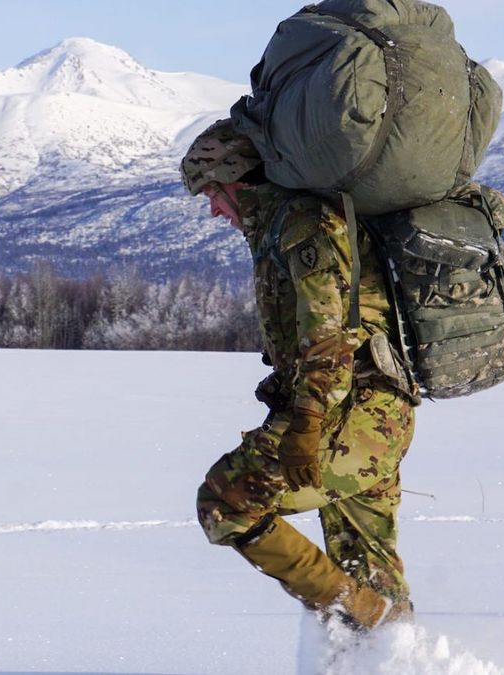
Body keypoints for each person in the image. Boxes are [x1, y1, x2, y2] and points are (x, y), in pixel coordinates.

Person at [184, 119, 420, 630]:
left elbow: (328, 335)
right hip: (374, 415)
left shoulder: (301, 223)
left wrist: (307, 424)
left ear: (236, 176)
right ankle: (394, 651)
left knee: (226, 502)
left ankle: (366, 615)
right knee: (366, 566)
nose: (214, 209)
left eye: (213, 193)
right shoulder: (281, 224)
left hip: (352, 415)